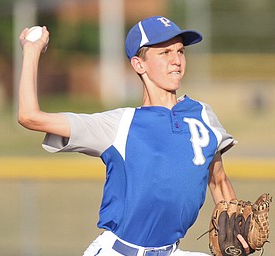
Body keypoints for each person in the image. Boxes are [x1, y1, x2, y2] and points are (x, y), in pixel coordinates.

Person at [18, 16, 249, 256]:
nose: (176, 60)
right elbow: (29, 116)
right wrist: (32, 52)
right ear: (139, 64)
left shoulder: (202, 114)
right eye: (165, 52)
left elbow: (218, 179)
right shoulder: (120, 124)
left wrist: (235, 231)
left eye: (180, 51)